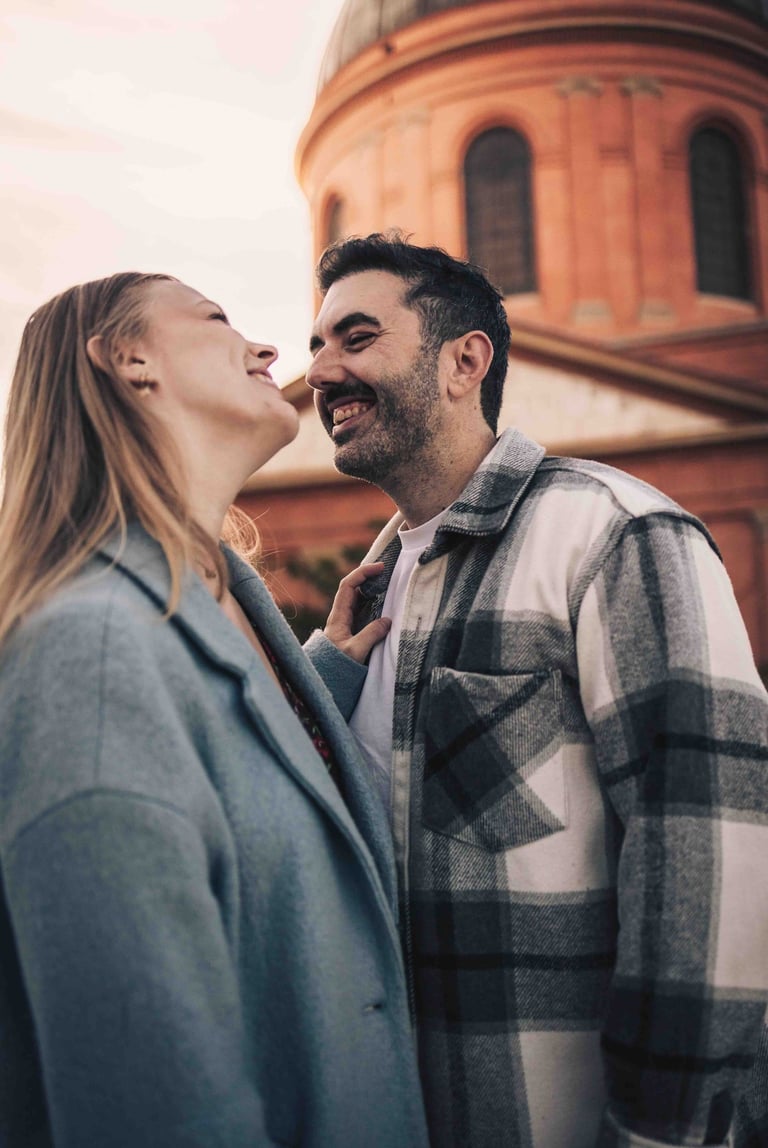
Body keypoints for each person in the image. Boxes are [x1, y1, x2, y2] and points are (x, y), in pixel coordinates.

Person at [304, 233, 768, 1148]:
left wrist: (661, 1133)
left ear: (463, 360)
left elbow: (711, 852)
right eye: (316, 345)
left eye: (355, 339)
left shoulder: (617, 533)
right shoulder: (376, 583)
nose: (320, 371)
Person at [0, 271, 430, 1148]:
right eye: (217, 319)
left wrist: (318, 683)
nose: (274, 351)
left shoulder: (229, 604)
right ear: (131, 362)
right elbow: (155, 1105)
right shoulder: (91, 652)